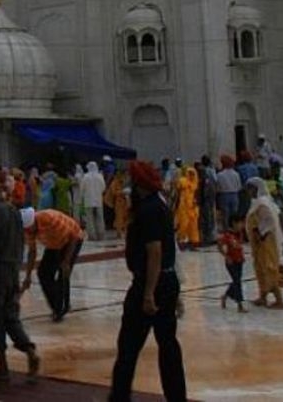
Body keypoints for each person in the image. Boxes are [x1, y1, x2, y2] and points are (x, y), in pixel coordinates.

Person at [109, 160, 185, 402]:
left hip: (151, 284)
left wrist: (148, 293)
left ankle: (119, 397)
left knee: (128, 347)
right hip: (167, 280)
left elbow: (155, 251)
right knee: (168, 345)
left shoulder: (149, 210)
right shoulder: (159, 204)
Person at [0, 173, 39, 383]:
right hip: (12, 270)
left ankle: (3, 367)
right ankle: (30, 351)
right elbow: (21, 242)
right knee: (10, 315)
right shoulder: (13, 210)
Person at [22, 206, 84, 322]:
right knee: (43, 273)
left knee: (63, 273)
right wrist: (28, 276)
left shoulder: (50, 219)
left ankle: (61, 309)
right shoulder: (28, 229)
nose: (29, 232)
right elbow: (32, 252)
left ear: (34, 222)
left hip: (71, 240)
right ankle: (57, 305)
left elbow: (74, 237)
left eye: (30, 229)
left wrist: (66, 261)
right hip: (54, 243)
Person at [244, 177, 283, 309]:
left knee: (269, 268)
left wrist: (261, 234)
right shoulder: (258, 202)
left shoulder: (263, 203)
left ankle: (279, 300)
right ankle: (263, 296)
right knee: (260, 267)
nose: (248, 191)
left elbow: (269, 221)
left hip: (266, 240)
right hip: (259, 241)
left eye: (251, 188)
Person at [217, 212, 246, 313]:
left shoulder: (240, 234)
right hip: (231, 262)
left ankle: (225, 296)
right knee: (237, 282)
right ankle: (240, 304)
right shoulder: (227, 235)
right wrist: (226, 256)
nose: (242, 225)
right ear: (234, 223)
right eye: (240, 223)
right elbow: (219, 246)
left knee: (236, 281)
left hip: (240, 260)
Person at [174, 167, 200, 249]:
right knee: (183, 224)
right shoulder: (182, 181)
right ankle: (181, 241)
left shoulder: (195, 183)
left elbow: (197, 194)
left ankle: (193, 241)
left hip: (192, 206)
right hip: (184, 206)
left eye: (193, 173)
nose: (192, 175)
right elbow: (177, 192)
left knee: (193, 225)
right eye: (190, 173)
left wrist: (196, 203)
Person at [81, 162, 107, 243]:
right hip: (98, 200)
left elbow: (82, 188)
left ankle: (92, 236)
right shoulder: (100, 176)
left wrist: (83, 196)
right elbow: (103, 187)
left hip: (88, 200)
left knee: (90, 218)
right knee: (100, 217)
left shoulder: (85, 176)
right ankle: (101, 234)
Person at [215, 155, 241, 232]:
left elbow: (218, 187)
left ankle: (226, 230)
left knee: (225, 214)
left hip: (223, 195)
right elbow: (239, 186)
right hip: (234, 194)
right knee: (234, 214)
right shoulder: (236, 174)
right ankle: (235, 229)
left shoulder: (219, 175)